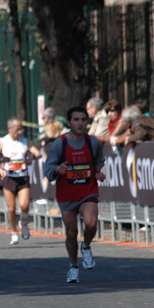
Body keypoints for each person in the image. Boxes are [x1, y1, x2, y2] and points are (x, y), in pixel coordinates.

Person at [44, 107, 105, 283]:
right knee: (71, 232)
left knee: (91, 224)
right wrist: (57, 169)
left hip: (88, 191)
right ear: (69, 123)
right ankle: (73, 267)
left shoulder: (93, 142)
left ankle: (85, 247)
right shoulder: (59, 143)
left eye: (83, 119)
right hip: (67, 194)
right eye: (76, 120)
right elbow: (48, 171)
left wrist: (98, 173)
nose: (80, 123)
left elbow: (99, 162)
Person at [0, 117, 42, 244]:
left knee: (24, 204)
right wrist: (0, 168)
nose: (20, 132)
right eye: (18, 129)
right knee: (11, 208)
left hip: (22, 177)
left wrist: (31, 157)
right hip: (9, 178)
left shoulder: (24, 141)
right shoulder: (2, 142)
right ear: (9, 129)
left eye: (21, 129)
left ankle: (23, 223)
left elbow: (38, 154)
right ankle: (13, 232)